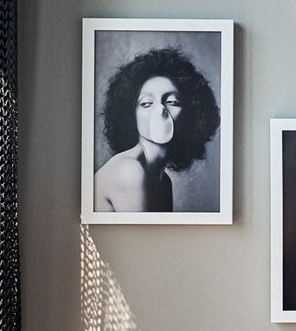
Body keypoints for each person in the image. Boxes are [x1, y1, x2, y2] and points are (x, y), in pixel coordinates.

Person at [93, 46, 220, 213]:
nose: (160, 111)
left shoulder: (163, 181)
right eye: (146, 104)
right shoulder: (130, 171)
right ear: (131, 115)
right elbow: (145, 239)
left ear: (191, 113)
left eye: (172, 102)